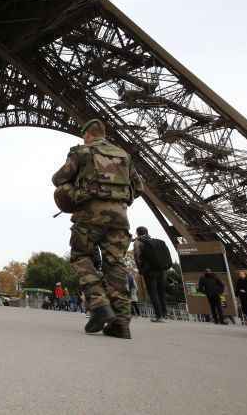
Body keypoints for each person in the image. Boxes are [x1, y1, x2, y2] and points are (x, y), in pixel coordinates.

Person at [52, 118, 143, 339]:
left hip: (89, 215)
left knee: (81, 256)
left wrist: (75, 194)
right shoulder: (124, 155)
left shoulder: (82, 152)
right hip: (119, 218)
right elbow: (138, 187)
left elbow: (58, 178)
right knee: (116, 264)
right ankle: (121, 323)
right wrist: (119, 198)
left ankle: (99, 304)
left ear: (87, 135)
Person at [133, 226, 172, 323]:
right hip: (162, 270)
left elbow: (137, 257)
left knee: (153, 293)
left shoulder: (138, 242)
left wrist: (141, 270)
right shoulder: (158, 242)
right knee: (161, 292)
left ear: (138, 233)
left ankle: (159, 316)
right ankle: (164, 313)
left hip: (149, 271)